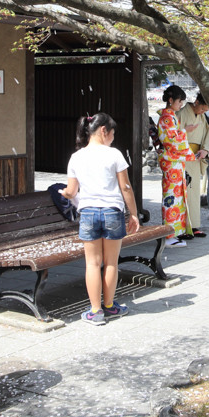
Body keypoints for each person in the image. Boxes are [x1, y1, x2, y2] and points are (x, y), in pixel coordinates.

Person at [62, 113, 141, 326]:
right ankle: (109, 306)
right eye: (112, 134)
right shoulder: (113, 154)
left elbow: (71, 191)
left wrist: (64, 194)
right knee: (111, 263)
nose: (113, 139)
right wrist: (133, 213)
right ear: (104, 131)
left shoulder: (76, 157)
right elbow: (125, 187)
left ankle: (95, 312)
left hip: (88, 213)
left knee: (92, 263)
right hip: (112, 211)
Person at [157, 86, 197, 247]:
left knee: (177, 197)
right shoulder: (166, 118)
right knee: (171, 198)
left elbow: (173, 137)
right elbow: (171, 140)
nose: (181, 104)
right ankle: (168, 235)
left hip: (174, 161)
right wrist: (184, 131)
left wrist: (182, 131)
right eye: (179, 101)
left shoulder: (170, 117)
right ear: (171, 100)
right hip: (171, 161)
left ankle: (174, 233)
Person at [175, 93, 209, 237]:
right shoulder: (182, 114)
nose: (203, 112)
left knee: (194, 193)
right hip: (183, 158)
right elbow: (173, 135)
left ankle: (195, 225)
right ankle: (182, 227)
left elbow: (207, 134)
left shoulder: (202, 117)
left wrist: (205, 150)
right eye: (202, 108)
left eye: (205, 111)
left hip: (195, 158)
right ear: (196, 102)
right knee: (183, 193)